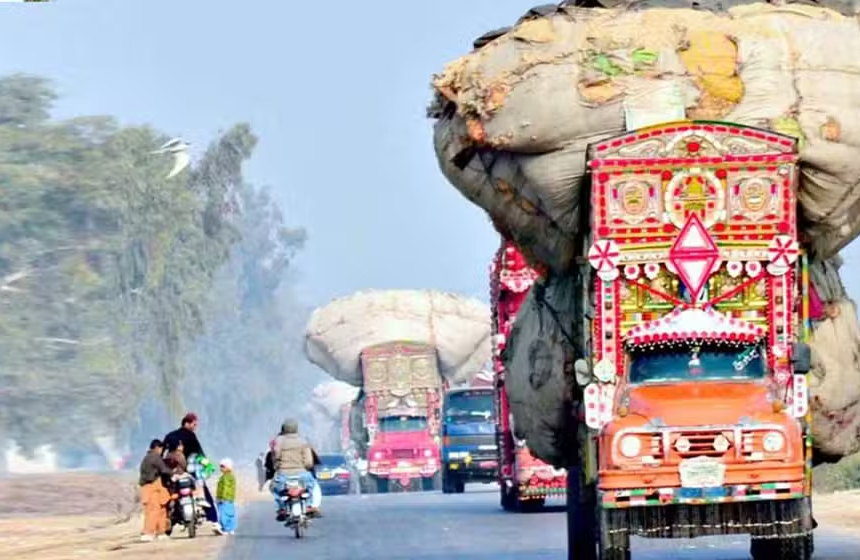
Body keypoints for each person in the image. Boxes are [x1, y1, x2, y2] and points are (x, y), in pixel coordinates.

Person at [163, 412, 218, 525]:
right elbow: (199, 453)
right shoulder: (191, 436)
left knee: (169, 494)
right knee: (204, 491)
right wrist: (207, 465)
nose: (195, 427)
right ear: (187, 423)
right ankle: (213, 519)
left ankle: (167, 523)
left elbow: (163, 452)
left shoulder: (170, 435)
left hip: (172, 472)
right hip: (190, 471)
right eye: (194, 425)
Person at [271, 419, 322, 520]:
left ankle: (282, 508)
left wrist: (277, 467)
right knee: (313, 486)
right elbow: (308, 461)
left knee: (275, 488)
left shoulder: (279, 441)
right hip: (302, 473)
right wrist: (307, 467)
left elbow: (276, 457)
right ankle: (310, 506)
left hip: (283, 474)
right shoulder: (303, 441)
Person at [138, 439, 175, 542]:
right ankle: (148, 533)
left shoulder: (147, 457)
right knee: (153, 510)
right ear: (157, 448)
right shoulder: (154, 457)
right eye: (161, 448)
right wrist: (173, 474)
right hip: (152, 486)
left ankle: (161, 532)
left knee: (162, 509)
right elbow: (163, 469)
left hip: (156, 487)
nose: (162, 450)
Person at [215, 458, 237, 535]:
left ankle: (225, 529)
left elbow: (226, 488)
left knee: (223, 515)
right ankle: (230, 529)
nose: (221, 468)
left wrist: (222, 498)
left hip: (224, 499)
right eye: (220, 466)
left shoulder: (226, 477)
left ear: (228, 467)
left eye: (222, 466)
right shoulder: (228, 476)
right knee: (230, 513)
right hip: (229, 498)